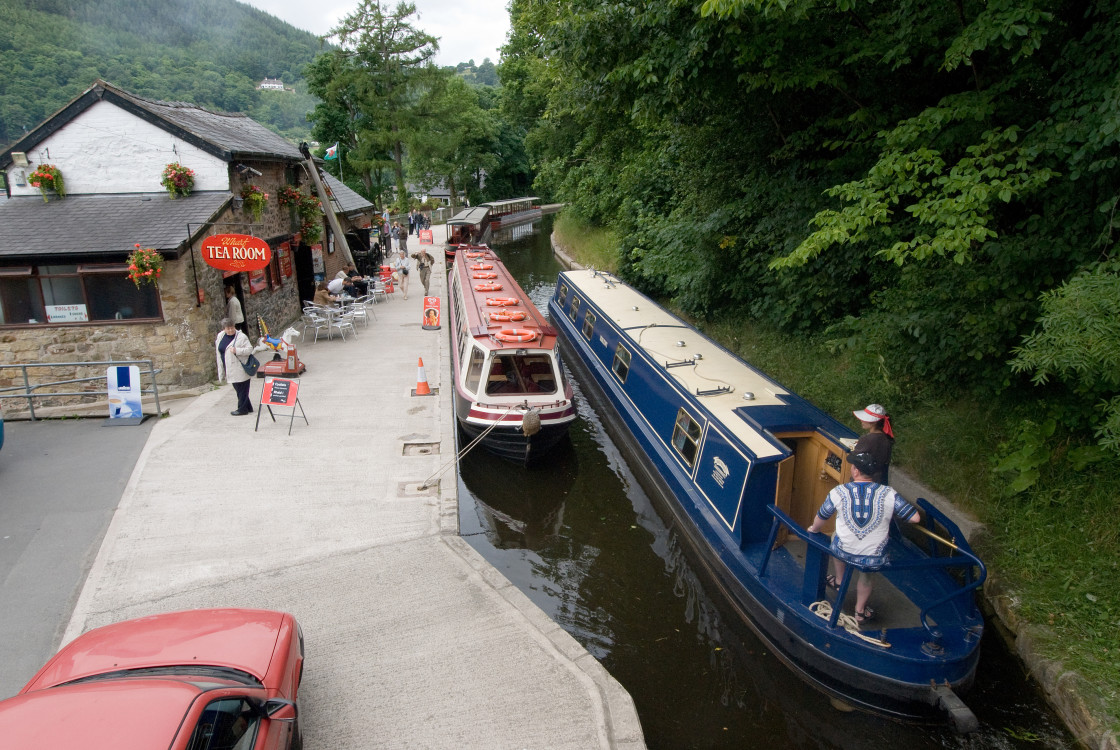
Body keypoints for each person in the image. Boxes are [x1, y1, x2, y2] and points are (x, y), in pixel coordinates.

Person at [807, 452, 920, 626]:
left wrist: (813, 529)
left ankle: (838, 580)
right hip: (873, 558)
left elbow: (822, 515)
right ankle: (860, 612)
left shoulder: (839, 491)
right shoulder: (888, 493)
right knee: (868, 574)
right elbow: (915, 518)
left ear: (855, 471)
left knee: (836, 535)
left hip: (843, 552)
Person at [215, 317, 255, 416]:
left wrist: (237, 350)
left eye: (232, 327)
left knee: (242, 388)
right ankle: (248, 407)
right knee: (238, 388)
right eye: (228, 328)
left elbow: (250, 349)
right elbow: (219, 351)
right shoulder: (220, 336)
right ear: (224, 329)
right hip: (229, 367)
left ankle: (242, 409)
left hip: (240, 367)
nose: (230, 330)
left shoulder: (241, 337)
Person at [852, 403, 895, 484]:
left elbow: (854, 459)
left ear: (874, 422)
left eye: (865, 419)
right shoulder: (886, 439)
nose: (861, 421)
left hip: (864, 480)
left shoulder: (866, 439)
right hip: (880, 480)